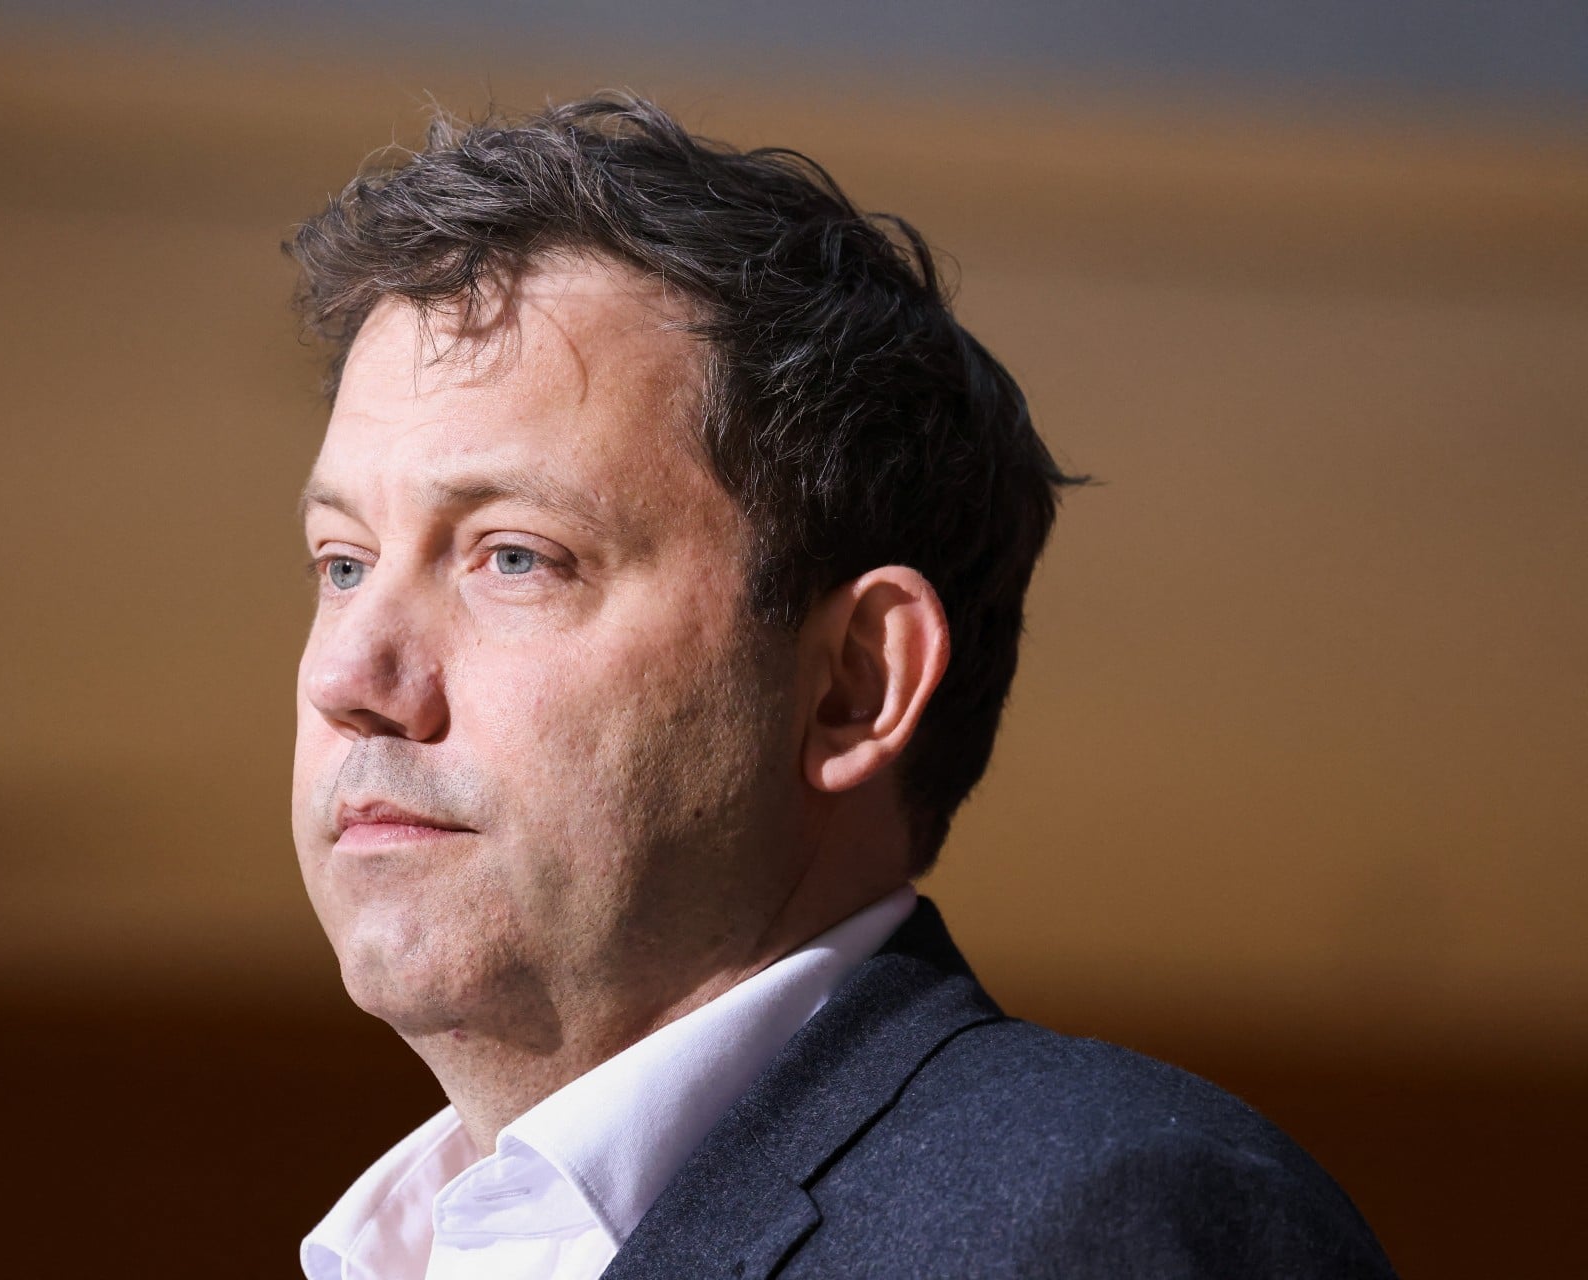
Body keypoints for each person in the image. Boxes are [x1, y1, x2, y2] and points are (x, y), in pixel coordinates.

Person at [284, 96, 1394, 1279]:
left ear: (854, 684)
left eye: (516, 557)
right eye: (344, 563)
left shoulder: (1092, 1223)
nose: (351, 677)